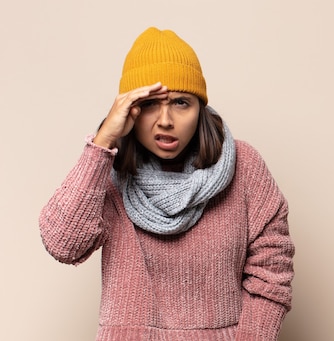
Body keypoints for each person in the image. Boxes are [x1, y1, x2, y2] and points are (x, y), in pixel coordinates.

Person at [39, 27, 295, 341]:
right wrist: (104, 139)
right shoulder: (108, 167)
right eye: (149, 104)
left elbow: (271, 273)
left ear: (200, 108)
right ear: (129, 109)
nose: (165, 120)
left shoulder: (244, 166)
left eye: (181, 103)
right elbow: (63, 244)